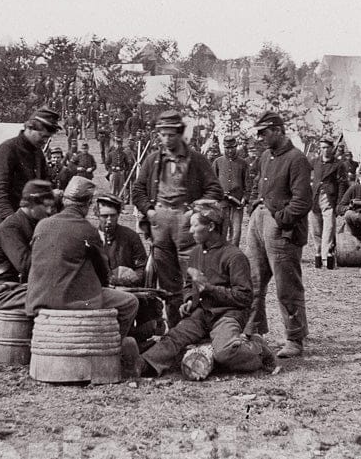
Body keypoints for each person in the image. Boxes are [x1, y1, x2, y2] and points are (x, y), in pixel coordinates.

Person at [137, 200, 275, 377]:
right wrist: (188, 300)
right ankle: (144, 364)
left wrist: (210, 289)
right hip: (202, 313)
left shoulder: (234, 256)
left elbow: (245, 297)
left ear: (210, 226)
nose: (191, 231)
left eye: (195, 226)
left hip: (227, 314)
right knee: (173, 338)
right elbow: (188, 285)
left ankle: (257, 350)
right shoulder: (195, 253)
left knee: (224, 352)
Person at [130, 110, 223, 326]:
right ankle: (174, 329)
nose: (167, 139)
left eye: (171, 134)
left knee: (192, 276)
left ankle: (194, 327)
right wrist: (150, 211)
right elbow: (138, 190)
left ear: (180, 134)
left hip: (185, 222)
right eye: (162, 134)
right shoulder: (153, 160)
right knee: (167, 281)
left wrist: (194, 209)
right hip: (160, 221)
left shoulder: (197, 160)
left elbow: (215, 190)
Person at [26, 177, 139, 339]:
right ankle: (112, 349)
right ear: (87, 204)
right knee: (130, 303)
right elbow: (104, 275)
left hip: (37, 299)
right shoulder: (87, 230)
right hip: (67, 301)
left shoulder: (42, 224)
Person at [245, 111, 312, 359]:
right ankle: (253, 332)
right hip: (258, 223)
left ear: (279, 130)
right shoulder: (265, 156)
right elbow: (256, 185)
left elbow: (303, 201)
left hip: (283, 229)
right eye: (259, 133)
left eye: (264, 132)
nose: (261, 137)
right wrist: (255, 206)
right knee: (253, 280)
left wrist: (280, 218)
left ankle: (295, 338)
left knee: (287, 286)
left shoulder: (297, 160)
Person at [0, 180, 57, 310]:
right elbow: (26, 266)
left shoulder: (33, 222)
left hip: (22, 287)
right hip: (5, 290)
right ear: (32, 204)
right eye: (46, 206)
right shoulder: (11, 227)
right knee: (60, 297)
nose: (50, 210)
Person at [0, 107, 60, 230]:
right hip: (7, 223)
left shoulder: (37, 153)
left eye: (48, 138)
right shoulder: (7, 150)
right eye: (43, 136)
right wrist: (15, 222)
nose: (45, 141)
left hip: (29, 221)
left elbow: (42, 184)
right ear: (30, 128)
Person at [309, 137, 347, 270]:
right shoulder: (314, 162)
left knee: (329, 228)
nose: (325, 150)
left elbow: (342, 184)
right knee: (315, 229)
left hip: (329, 199)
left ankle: (326, 257)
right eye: (322, 148)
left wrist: (340, 203)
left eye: (327, 147)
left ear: (332, 148)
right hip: (314, 199)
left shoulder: (338, 164)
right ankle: (318, 253)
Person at [94, 191, 148, 286]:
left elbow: (142, 267)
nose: (109, 220)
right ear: (97, 215)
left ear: (118, 215)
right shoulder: (92, 238)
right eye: (105, 216)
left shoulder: (131, 237)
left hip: (127, 289)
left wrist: (131, 278)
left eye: (113, 216)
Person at [212, 135, 249, 246]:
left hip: (237, 202)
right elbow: (212, 182)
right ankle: (221, 257)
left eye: (232, 147)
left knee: (236, 233)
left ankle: (233, 257)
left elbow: (248, 183)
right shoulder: (218, 162)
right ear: (224, 148)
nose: (230, 150)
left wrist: (245, 198)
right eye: (227, 148)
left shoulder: (243, 163)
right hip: (221, 203)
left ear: (236, 147)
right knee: (221, 231)